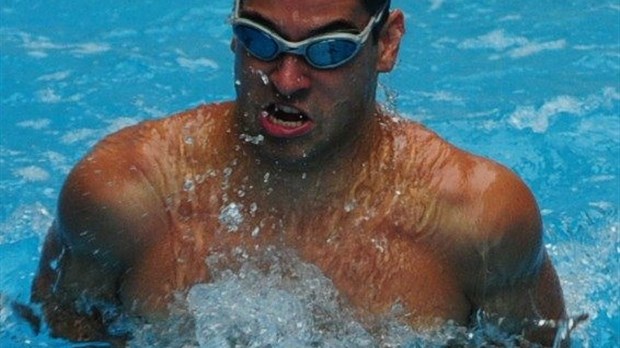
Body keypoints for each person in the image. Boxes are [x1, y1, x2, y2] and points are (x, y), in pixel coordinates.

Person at [31, 0, 568, 346]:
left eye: (328, 50)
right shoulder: (124, 194)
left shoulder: (477, 218)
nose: (286, 80)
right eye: (260, 41)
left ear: (387, 44)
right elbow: (57, 330)